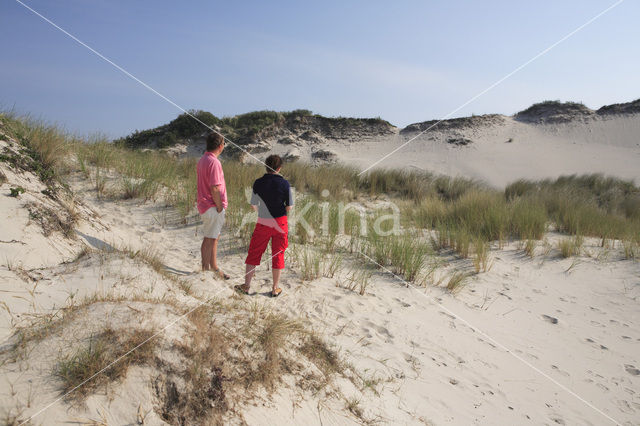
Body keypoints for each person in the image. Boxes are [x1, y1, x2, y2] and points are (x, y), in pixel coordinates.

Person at [235, 154, 293, 297]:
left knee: (254, 252)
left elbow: (253, 204)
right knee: (278, 254)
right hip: (280, 222)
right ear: (279, 168)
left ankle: (247, 285)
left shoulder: (258, 182)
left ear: (266, 166)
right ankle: (275, 288)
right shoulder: (285, 183)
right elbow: (289, 207)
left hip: (264, 221)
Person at [196, 132, 229, 280]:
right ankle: (205, 269)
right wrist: (220, 206)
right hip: (212, 205)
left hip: (205, 204)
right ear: (220, 146)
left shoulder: (202, 159)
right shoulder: (214, 162)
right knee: (210, 238)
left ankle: (212, 267)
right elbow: (215, 187)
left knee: (212, 237)